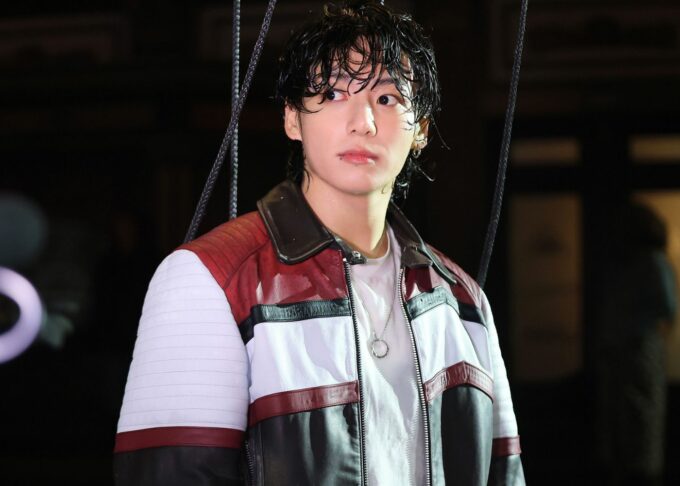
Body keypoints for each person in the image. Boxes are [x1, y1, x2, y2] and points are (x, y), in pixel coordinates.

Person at [113, 2, 524, 484]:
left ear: (422, 130)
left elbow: (503, 474)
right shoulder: (208, 280)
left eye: (387, 98)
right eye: (331, 93)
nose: (362, 121)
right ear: (292, 118)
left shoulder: (463, 301)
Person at [596, 203, 677, 486]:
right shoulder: (630, 264)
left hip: (638, 351)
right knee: (623, 422)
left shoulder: (652, 262)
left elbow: (666, 308)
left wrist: (636, 331)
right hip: (623, 351)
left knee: (640, 421)